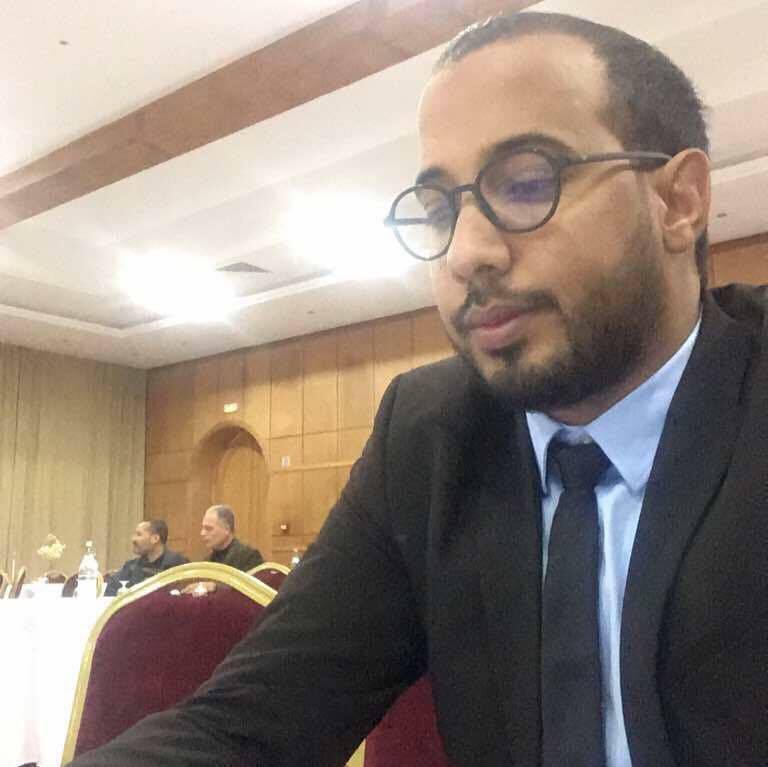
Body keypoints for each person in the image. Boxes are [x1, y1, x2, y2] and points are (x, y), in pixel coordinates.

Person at [68, 11, 767, 767]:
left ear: (678, 202)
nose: (465, 252)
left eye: (527, 184)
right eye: (439, 211)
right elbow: (247, 728)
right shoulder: (429, 435)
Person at [104, 520, 188, 596]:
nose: (133, 539)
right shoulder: (131, 566)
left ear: (155, 539)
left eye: (139, 534)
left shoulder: (179, 565)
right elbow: (111, 588)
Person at [201, 504, 263, 571]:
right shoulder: (207, 561)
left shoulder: (249, 557)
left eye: (209, 528)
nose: (202, 533)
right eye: (203, 528)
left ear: (227, 529)